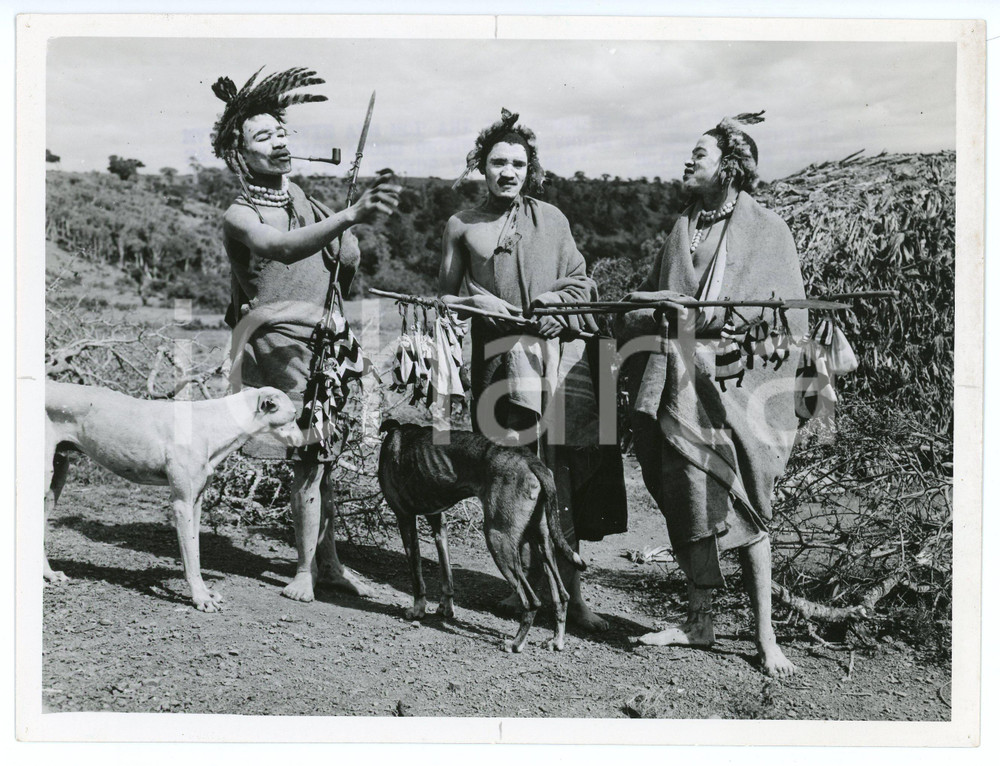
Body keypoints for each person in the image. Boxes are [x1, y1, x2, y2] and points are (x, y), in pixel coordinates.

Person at [617, 112, 803, 676]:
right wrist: (659, 312)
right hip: (676, 381)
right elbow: (647, 301)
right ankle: (699, 622)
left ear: (729, 166)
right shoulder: (682, 227)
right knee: (686, 494)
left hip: (737, 387)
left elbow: (784, 322)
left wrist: (706, 321)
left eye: (699, 153)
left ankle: (766, 636)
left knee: (745, 498)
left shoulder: (766, 230)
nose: (687, 160)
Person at [211, 66, 400, 603]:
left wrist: (346, 239)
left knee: (322, 458)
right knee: (308, 459)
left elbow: (345, 258)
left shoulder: (299, 195)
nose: (279, 142)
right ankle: (304, 571)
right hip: (278, 346)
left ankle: (328, 564)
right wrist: (349, 216)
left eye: (281, 132)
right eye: (263, 136)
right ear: (239, 154)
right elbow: (281, 249)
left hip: (322, 341)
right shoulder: (240, 214)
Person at [438, 109, 627, 632]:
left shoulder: (553, 220)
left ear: (531, 169)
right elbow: (445, 297)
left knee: (560, 473)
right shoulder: (462, 225)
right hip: (498, 360)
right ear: (481, 165)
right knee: (513, 472)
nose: (508, 172)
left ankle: (574, 596)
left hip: (558, 359)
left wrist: (554, 306)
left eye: (518, 164)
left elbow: (581, 282)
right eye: (498, 162)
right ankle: (523, 587)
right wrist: (478, 301)